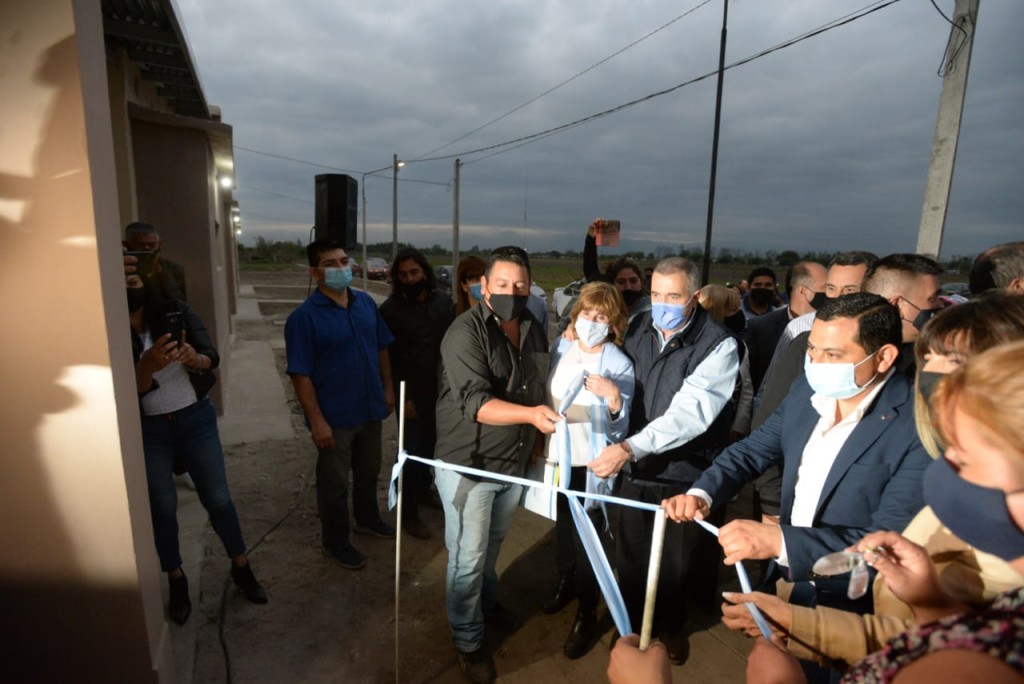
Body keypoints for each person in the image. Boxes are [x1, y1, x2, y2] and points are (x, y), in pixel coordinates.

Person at [717, 293, 1024, 670]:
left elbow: (954, 658)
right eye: (929, 358)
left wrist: (782, 550)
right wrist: (930, 603)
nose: (933, 376)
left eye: (954, 361)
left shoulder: (913, 430)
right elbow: (934, 633)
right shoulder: (807, 392)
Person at [663, 293, 931, 619]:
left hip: (859, 603)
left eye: (832, 354)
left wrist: (782, 542)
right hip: (791, 579)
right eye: (812, 349)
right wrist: (702, 493)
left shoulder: (919, 426)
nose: (816, 364)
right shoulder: (806, 390)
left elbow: (890, 540)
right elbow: (752, 450)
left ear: (884, 357)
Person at [588, 256, 740, 664]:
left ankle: (670, 629)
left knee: (675, 560)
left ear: (694, 296)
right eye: (656, 294)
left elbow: (690, 415)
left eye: (673, 296)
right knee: (631, 554)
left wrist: (629, 448)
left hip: (681, 471)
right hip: (635, 468)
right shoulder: (638, 326)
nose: (662, 304)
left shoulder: (718, 345)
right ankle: (633, 625)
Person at [433, 245, 562, 683]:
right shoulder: (464, 333)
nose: (512, 292)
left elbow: (537, 386)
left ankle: (485, 605)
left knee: (492, 545)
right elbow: (475, 403)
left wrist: (536, 440)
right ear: (484, 286)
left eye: (520, 285)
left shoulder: (532, 328)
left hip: (513, 464)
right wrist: (531, 417)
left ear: (530, 288)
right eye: (502, 284)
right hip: (470, 466)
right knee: (467, 557)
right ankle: (468, 639)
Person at [127, 271, 266, 625]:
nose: (129, 286)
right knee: (162, 506)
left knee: (217, 498)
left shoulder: (175, 310)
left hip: (194, 419)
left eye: (134, 279)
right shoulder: (110, 326)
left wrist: (194, 358)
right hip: (149, 429)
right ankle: (176, 578)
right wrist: (146, 366)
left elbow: (210, 357)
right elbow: (128, 391)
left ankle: (241, 566)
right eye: (122, 279)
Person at [285, 240, 396, 572]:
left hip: (370, 408)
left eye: (344, 261)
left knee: (369, 470)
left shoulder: (365, 304)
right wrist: (317, 421)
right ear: (315, 272)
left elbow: (382, 348)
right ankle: (336, 542)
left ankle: (367, 519)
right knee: (334, 484)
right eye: (330, 264)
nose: (340, 268)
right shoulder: (303, 319)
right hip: (335, 417)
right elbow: (300, 374)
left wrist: (388, 388)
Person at [540, 282, 635, 659]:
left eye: (601, 317)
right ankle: (566, 583)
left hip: (591, 465)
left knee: (589, 542)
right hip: (559, 457)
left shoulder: (618, 363)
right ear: (575, 315)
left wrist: (614, 399)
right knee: (562, 526)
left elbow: (621, 431)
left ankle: (586, 610)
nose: (591, 322)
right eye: (586, 314)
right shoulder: (562, 346)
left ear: (613, 324)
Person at [379, 248, 454, 540]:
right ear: (396, 278)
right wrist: (401, 398)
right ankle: (407, 512)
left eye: (415, 272)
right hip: (409, 394)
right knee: (410, 452)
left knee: (433, 448)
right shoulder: (390, 310)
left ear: (424, 271)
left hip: (442, 391)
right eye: (404, 275)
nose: (410, 279)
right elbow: (387, 358)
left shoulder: (442, 301)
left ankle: (423, 491)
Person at [746, 262, 827, 395]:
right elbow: (750, 380)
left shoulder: (833, 328)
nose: (831, 294)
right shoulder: (760, 327)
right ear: (803, 291)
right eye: (826, 287)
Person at [580, 219, 651, 321]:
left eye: (633, 281)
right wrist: (591, 239)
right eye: (621, 282)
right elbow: (590, 270)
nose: (628, 287)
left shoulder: (651, 309)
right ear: (611, 284)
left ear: (641, 282)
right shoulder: (605, 307)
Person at [123, 221, 188, 301]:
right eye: (140, 245)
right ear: (126, 245)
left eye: (152, 244)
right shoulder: (123, 269)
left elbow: (180, 301)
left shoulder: (174, 269)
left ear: (159, 244)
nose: (147, 248)